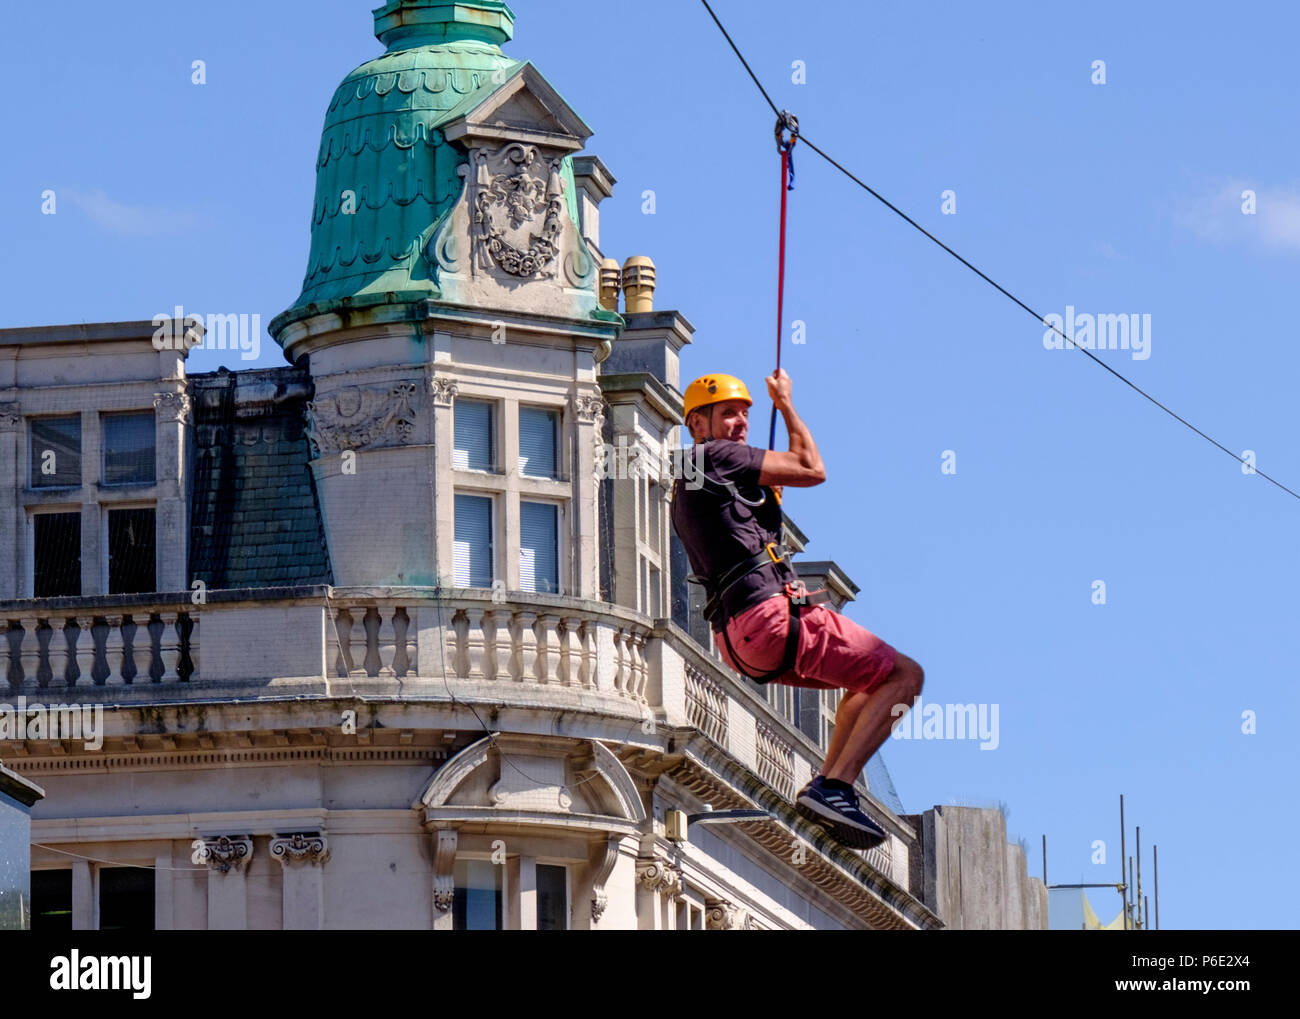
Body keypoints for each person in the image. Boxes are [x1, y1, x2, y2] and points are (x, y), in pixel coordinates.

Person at [670, 369, 924, 848]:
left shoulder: (692, 475)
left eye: (745, 415)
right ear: (697, 424)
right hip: (768, 618)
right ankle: (835, 785)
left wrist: (762, 499)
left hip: (740, 639)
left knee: (867, 682)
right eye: (728, 414)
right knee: (905, 677)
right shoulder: (716, 455)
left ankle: (827, 788)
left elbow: (733, 528)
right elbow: (812, 467)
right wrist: (785, 404)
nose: (740, 424)